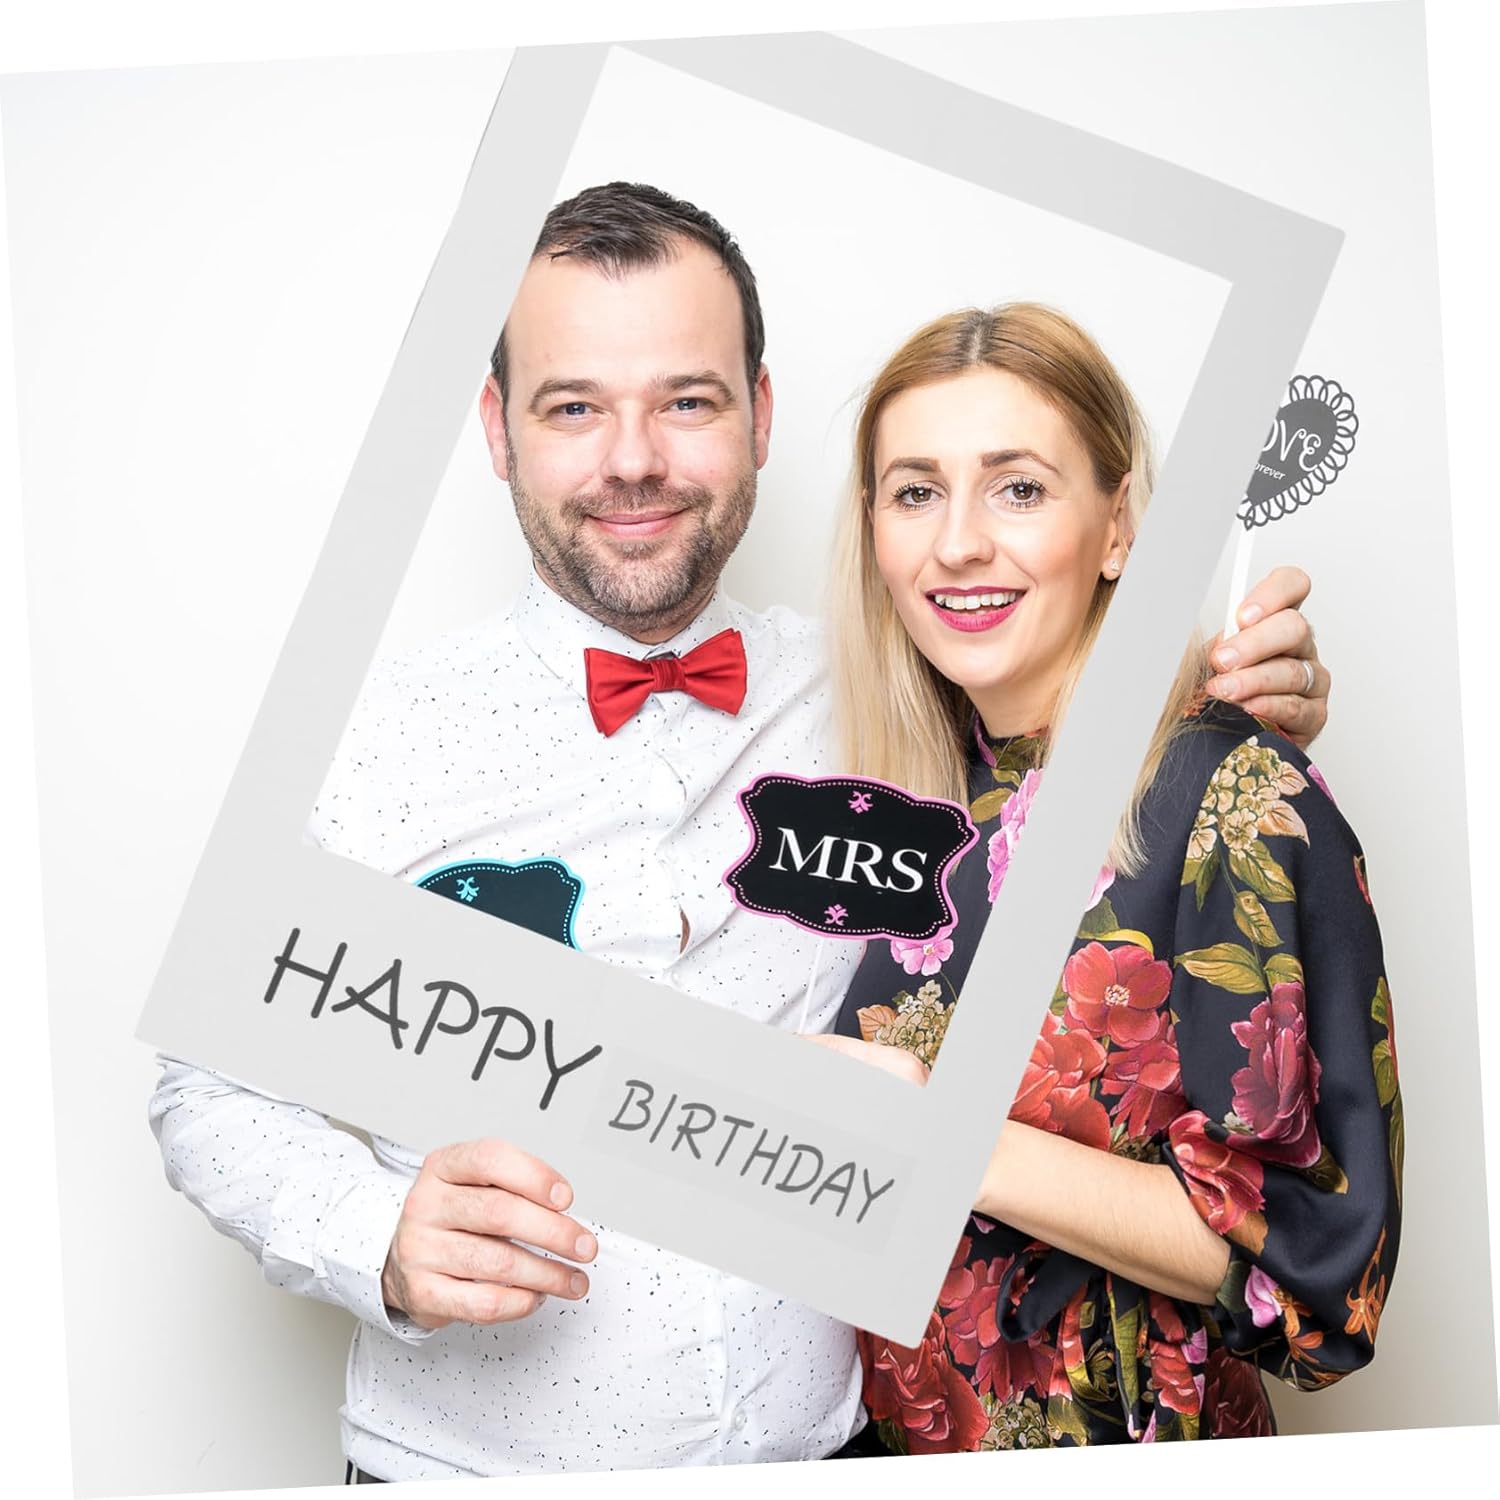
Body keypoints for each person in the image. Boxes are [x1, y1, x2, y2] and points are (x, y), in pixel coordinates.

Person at [149, 185, 1332, 1481]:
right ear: (497, 427)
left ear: (761, 415)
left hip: (842, 1454)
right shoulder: (359, 741)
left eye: (688, 401)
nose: (634, 460)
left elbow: (1075, 732)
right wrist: (372, 1233)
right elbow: (206, 1082)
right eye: (574, 407)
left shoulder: (903, 690)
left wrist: (1226, 699)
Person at [820, 303, 1400, 1450]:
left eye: (1018, 487)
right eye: (916, 491)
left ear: (1119, 528)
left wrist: (938, 1134)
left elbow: (1316, 1264)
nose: (958, 543)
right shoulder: (913, 800)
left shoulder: (1233, 795)